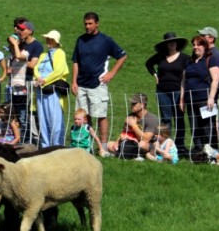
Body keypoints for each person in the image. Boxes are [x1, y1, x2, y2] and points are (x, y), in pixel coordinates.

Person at [71, 12, 127, 150]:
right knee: (84, 116)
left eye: (90, 23)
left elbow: (122, 56)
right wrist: (74, 81)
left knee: (101, 115)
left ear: (97, 23)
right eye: (85, 23)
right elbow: (75, 62)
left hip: (98, 84)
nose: (87, 26)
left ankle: (103, 146)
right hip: (81, 84)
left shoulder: (106, 40)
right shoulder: (80, 40)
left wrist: (111, 73)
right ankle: (86, 144)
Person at [144, 32, 190, 156]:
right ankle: (166, 145)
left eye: (174, 42)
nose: (172, 44)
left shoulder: (185, 58)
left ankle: (180, 145)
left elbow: (189, 73)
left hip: (177, 91)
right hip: (162, 91)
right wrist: (155, 76)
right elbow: (148, 64)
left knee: (179, 118)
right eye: (169, 42)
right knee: (166, 119)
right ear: (166, 44)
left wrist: (184, 90)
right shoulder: (160, 57)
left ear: (177, 43)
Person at [181, 36, 219, 152]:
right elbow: (183, 81)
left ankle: (211, 150)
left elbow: (215, 79)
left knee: (207, 126)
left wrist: (211, 98)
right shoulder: (189, 61)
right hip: (191, 99)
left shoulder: (210, 59)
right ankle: (198, 150)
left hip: (205, 98)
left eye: (199, 45)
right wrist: (182, 99)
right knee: (194, 125)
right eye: (194, 45)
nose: (195, 47)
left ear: (205, 46)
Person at [34, 30, 69, 148]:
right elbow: (36, 68)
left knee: (55, 121)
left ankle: (57, 146)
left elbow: (59, 71)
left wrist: (45, 80)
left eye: (51, 39)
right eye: (47, 39)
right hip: (40, 91)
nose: (48, 41)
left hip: (53, 91)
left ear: (56, 42)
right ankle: (45, 146)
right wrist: (38, 78)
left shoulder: (60, 53)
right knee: (43, 121)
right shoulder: (43, 55)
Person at [10, 20, 43, 140]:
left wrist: (18, 60)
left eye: (23, 29)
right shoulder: (21, 44)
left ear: (30, 31)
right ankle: (20, 138)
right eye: (19, 29)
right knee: (17, 112)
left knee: (26, 113)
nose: (20, 31)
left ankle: (30, 139)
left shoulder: (37, 45)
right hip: (16, 82)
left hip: (28, 82)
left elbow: (33, 64)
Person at [107, 93, 159, 159]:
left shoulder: (152, 119)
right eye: (131, 103)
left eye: (134, 104)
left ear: (142, 105)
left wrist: (133, 125)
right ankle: (132, 154)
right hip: (131, 142)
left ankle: (128, 153)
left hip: (148, 144)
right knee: (109, 144)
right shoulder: (130, 115)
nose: (131, 106)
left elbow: (145, 139)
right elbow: (124, 132)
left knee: (141, 144)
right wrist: (117, 142)